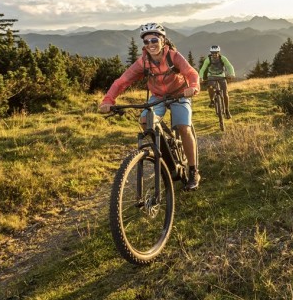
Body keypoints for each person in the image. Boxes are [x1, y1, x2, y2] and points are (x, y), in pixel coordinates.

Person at [98, 23, 202, 190]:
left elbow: (191, 73)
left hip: (180, 94)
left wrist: (194, 86)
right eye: (146, 42)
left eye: (154, 40)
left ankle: (193, 170)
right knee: (145, 121)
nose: (150, 44)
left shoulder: (174, 57)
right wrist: (108, 100)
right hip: (158, 97)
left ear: (162, 40)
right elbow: (122, 81)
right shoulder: (143, 62)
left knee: (184, 127)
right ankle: (166, 155)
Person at [199, 45, 235, 119]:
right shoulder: (208, 59)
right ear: (211, 53)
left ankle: (227, 110)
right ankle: (212, 100)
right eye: (213, 53)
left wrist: (232, 74)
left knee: (225, 93)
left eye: (216, 53)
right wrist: (201, 78)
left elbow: (229, 66)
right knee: (210, 87)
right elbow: (202, 69)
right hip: (211, 76)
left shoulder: (223, 58)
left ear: (218, 52)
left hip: (221, 76)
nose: (214, 54)